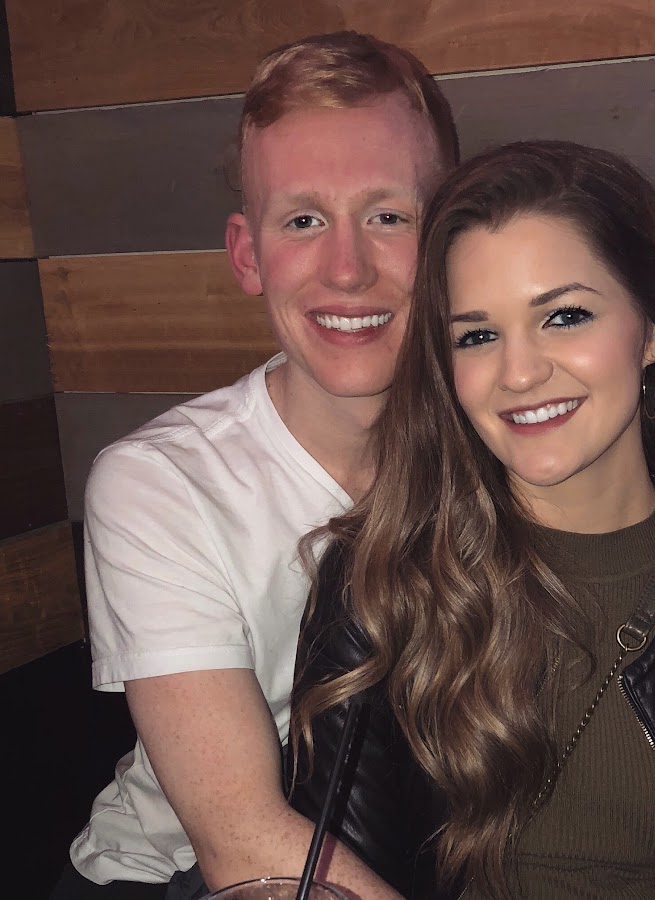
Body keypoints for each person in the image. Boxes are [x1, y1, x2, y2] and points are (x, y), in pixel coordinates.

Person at [289, 141, 655, 900]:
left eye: (565, 316)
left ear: (651, 330)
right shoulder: (378, 579)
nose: (520, 372)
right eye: (477, 335)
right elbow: (335, 872)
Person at [51, 31, 458, 900]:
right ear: (248, 255)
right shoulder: (159, 483)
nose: (347, 269)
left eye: (388, 216)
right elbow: (242, 843)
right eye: (303, 220)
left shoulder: (496, 447)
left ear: (451, 240)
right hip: (180, 877)